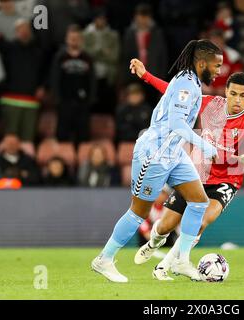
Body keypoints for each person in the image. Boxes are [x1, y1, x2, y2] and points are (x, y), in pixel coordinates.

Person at [91, 39, 223, 283]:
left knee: (198, 201)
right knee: (138, 213)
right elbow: (176, 124)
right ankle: (104, 259)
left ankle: (182, 260)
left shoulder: (189, 80)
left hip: (173, 153)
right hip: (154, 154)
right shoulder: (186, 82)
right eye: (216, 66)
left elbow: (168, 92)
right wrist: (206, 146)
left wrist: (146, 75)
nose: (219, 71)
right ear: (202, 63)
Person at [130, 59, 244, 280]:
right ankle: (155, 241)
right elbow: (173, 92)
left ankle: (166, 265)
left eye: (243, 96)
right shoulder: (210, 104)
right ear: (226, 91)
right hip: (197, 174)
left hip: (226, 180)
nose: (237, 100)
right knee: (165, 226)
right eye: (233, 94)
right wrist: (146, 75)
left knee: (200, 221)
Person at [0, 19, 45, 142]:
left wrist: (42, 86)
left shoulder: (38, 50)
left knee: (28, 138)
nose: (24, 32)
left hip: (31, 101)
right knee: (10, 138)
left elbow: (44, 72)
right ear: (16, 32)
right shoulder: (8, 48)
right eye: (21, 29)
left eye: (26, 29)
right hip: (10, 100)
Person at [50, 24, 96, 145]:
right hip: (64, 102)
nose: (74, 41)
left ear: (81, 40)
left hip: (83, 103)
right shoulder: (60, 57)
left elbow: (92, 80)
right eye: (71, 38)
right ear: (66, 39)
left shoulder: (87, 58)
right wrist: (57, 98)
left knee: (83, 136)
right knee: (62, 136)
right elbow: (54, 79)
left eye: (76, 38)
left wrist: (90, 98)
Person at [83, 10, 120, 114]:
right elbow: (84, 55)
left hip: (107, 77)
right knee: (90, 108)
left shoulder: (113, 35)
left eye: (103, 19)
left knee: (107, 108)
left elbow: (114, 57)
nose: (101, 21)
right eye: (99, 19)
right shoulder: (85, 34)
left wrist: (95, 54)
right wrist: (102, 52)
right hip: (90, 76)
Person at [203, 28, 243, 96]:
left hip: (227, 95)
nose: (216, 44)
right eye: (214, 41)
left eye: (218, 41)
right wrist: (202, 86)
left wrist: (228, 88)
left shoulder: (233, 55)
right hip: (206, 95)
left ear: (223, 41)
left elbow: (238, 77)